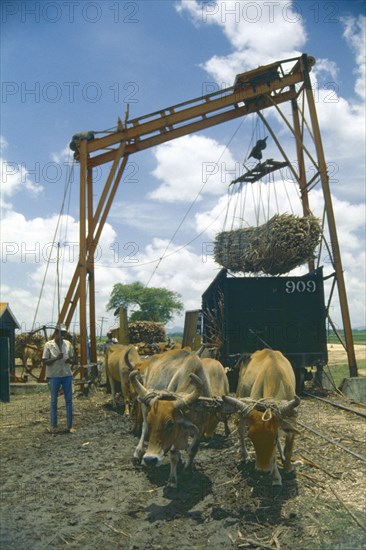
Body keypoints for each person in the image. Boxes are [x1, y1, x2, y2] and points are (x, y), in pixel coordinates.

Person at [42, 324, 76, 434]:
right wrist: (56, 358)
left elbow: (73, 358)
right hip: (54, 376)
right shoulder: (48, 345)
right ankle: (54, 426)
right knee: (53, 401)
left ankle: (70, 426)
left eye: (65, 333)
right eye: (61, 333)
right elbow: (44, 361)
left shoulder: (68, 344)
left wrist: (70, 360)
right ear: (56, 333)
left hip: (66, 374)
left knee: (69, 401)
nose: (63, 335)